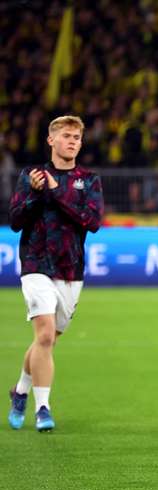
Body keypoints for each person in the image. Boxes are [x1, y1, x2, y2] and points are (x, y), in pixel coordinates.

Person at [7, 115, 104, 431]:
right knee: (45, 334)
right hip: (36, 264)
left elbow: (92, 222)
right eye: (66, 135)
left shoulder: (88, 180)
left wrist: (55, 192)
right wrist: (36, 193)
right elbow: (16, 221)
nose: (72, 140)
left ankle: (20, 390)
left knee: (46, 341)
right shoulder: (30, 176)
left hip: (70, 269)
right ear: (51, 140)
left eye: (77, 136)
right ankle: (43, 409)